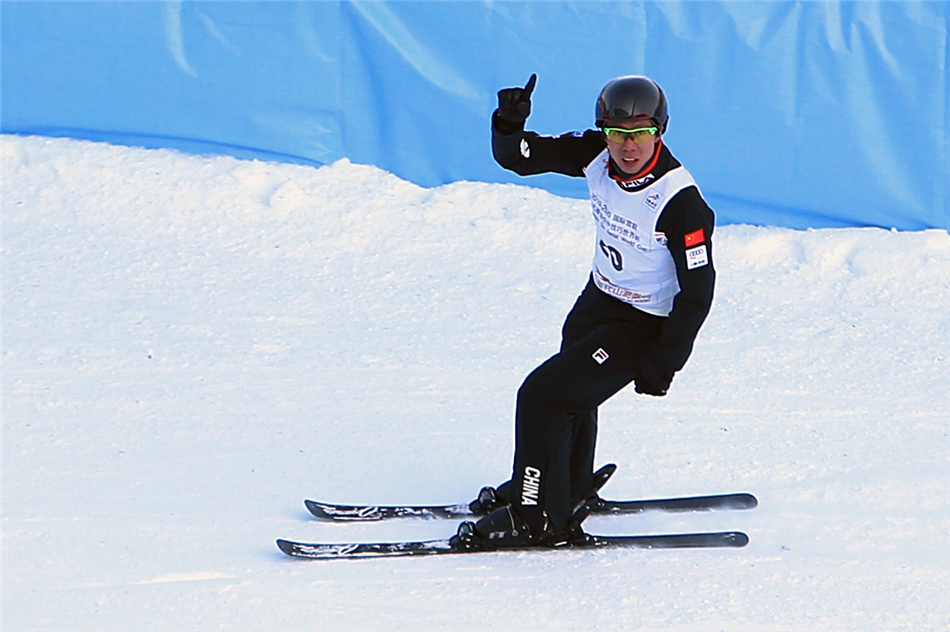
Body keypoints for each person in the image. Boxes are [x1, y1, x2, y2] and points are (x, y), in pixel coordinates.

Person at [454, 74, 717, 549]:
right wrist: (509, 124)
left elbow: (698, 292)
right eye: (618, 134)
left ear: (660, 131)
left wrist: (666, 361)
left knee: (540, 395)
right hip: (597, 301)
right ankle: (563, 488)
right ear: (605, 131)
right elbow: (519, 158)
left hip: (643, 323)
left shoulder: (682, 204)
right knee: (569, 396)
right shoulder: (596, 153)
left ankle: (534, 519)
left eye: (641, 134)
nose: (628, 147)